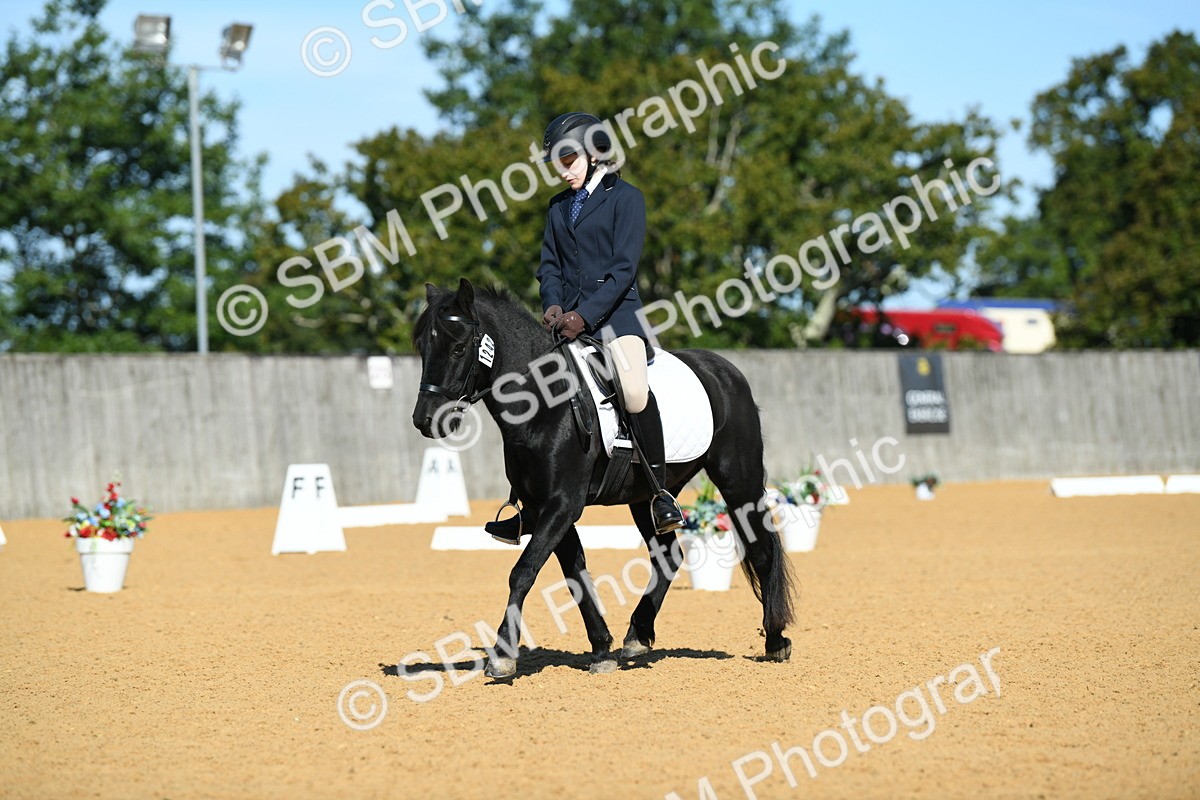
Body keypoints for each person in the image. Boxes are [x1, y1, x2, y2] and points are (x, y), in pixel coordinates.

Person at [484, 111, 684, 544]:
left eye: (569, 158)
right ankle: (523, 504)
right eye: (557, 160)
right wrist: (554, 307)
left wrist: (584, 315)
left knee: (633, 391)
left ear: (594, 154)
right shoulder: (558, 207)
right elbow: (549, 267)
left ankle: (659, 493)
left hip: (616, 320)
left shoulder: (626, 198)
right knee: (529, 394)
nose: (563, 168)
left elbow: (623, 269)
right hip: (565, 325)